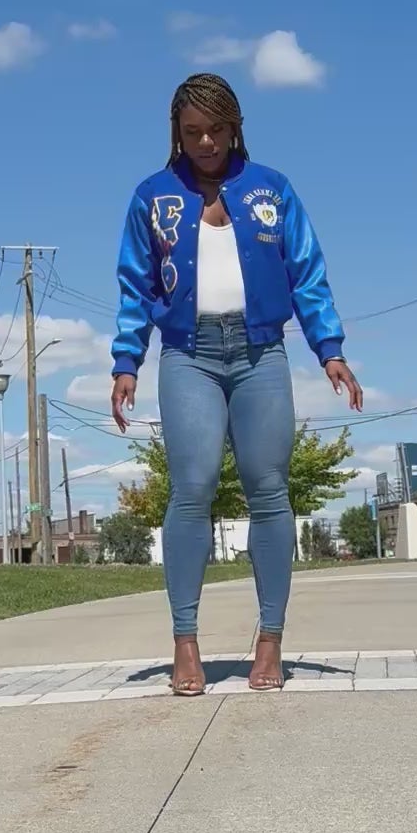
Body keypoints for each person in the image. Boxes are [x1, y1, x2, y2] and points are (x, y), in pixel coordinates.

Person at [112, 72, 361, 695]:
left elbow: (306, 272)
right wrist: (125, 362)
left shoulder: (272, 190)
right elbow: (135, 286)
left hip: (261, 355)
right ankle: (185, 643)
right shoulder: (152, 197)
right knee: (191, 489)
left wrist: (328, 349)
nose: (205, 142)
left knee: (269, 490)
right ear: (176, 131)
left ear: (236, 127)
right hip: (188, 355)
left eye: (216, 130)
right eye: (192, 131)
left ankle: (270, 642)